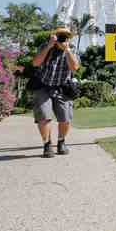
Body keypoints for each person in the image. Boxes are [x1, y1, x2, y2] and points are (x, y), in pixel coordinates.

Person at [31, 27, 80, 158]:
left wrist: (67, 50)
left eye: (65, 36)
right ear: (54, 36)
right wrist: (49, 46)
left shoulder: (72, 49)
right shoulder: (45, 46)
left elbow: (75, 67)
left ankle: (61, 141)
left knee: (65, 119)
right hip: (43, 86)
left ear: (69, 38)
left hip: (62, 87)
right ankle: (47, 144)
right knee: (43, 116)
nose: (62, 38)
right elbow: (35, 63)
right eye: (60, 36)